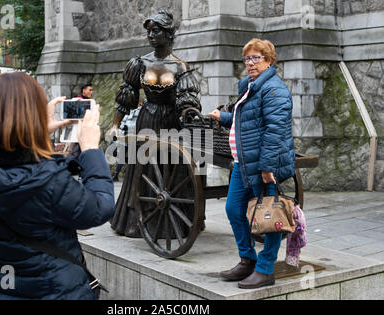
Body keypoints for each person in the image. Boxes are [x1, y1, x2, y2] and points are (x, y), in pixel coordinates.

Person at [0, 72, 115, 300]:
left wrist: (38, 131)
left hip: (4, 284)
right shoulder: (46, 181)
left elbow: (4, 156)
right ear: (33, 115)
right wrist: (89, 148)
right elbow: (101, 208)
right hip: (54, 290)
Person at [209, 38, 295, 289]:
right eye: (247, 58)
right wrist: (224, 117)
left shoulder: (274, 90)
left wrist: (268, 168)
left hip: (263, 165)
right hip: (243, 163)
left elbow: (275, 130)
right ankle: (247, 259)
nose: (250, 63)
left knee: (270, 216)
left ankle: (266, 268)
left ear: (269, 61)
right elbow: (246, 122)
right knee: (234, 210)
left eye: (256, 58)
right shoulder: (251, 86)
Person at [107, 9, 201, 237]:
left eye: (156, 30)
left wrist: (189, 111)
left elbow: (187, 99)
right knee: (143, 167)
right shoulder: (139, 63)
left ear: (168, 34)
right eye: (149, 30)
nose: (151, 35)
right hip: (147, 119)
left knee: (170, 169)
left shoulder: (180, 66)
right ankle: (137, 220)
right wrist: (115, 125)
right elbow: (126, 96)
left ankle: (171, 221)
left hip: (171, 123)